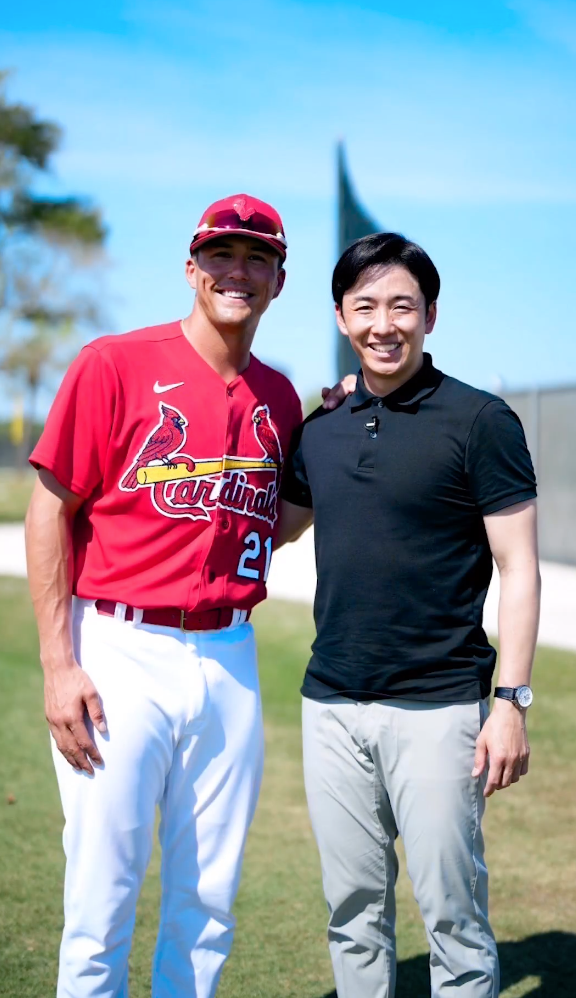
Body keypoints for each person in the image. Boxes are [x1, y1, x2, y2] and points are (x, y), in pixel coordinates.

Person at [25, 193, 348, 998]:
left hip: (229, 653)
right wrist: (59, 666)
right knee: (101, 894)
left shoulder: (277, 399)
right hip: (121, 646)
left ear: (279, 279)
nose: (237, 271)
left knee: (208, 900)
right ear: (191, 266)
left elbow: (268, 527)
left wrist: (329, 432)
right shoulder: (114, 364)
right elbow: (48, 511)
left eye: (256, 257)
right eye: (221, 254)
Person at [279, 232, 540, 998]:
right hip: (330, 704)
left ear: (429, 315)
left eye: (402, 305)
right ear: (339, 317)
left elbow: (519, 569)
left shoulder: (480, 421)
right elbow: (271, 528)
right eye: (366, 306)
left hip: (440, 707)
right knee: (352, 911)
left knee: (452, 919)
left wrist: (511, 705)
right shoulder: (319, 428)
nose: (383, 324)